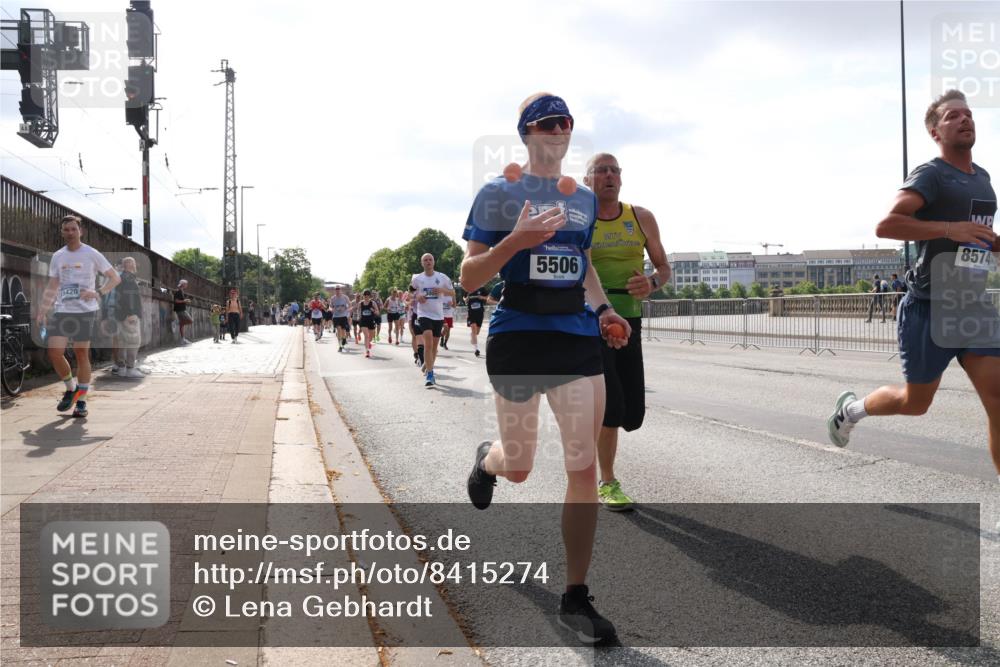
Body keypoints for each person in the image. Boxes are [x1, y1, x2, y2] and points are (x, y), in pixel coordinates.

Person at [461, 92, 630, 644]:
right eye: (548, 123)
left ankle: (575, 597)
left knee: (582, 468)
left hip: (577, 340)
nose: (560, 130)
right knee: (520, 468)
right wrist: (517, 240)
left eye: (567, 123)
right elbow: (468, 277)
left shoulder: (581, 199)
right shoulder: (498, 194)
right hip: (518, 338)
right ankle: (489, 462)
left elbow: (581, 265)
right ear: (528, 133)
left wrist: (604, 309)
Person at [828, 90, 999, 481]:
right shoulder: (932, 174)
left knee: (998, 401)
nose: (965, 119)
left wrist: (993, 243)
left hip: (972, 307)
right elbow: (886, 225)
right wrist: (948, 228)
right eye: (953, 116)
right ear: (935, 131)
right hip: (929, 306)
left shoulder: (984, 179)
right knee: (915, 402)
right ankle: (851, 411)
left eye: (969, 114)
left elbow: (975, 236)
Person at [584, 152, 671, 511]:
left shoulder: (641, 217)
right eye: (601, 170)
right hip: (592, 320)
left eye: (614, 170)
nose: (609, 176)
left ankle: (588, 458)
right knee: (612, 405)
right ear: (587, 180)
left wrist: (651, 282)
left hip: (630, 320)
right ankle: (605, 480)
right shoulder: (580, 219)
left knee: (632, 413)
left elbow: (665, 268)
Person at [36, 214, 121, 418]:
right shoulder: (58, 256)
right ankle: (71, 388)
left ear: (80, 231)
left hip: (85, 311)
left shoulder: (91, 254)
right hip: (62, 310)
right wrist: (43, 309)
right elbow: (53, 285)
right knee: (54, 352)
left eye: (74, 229)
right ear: (62, 232)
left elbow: (114, 278)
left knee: (82, 354)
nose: (70, 233)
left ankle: (81, 401)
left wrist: (98, 292)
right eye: (66, 229)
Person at [411, 253, 455, 387]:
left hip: (438, 315)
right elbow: (411, 290)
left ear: (434, 262)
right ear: (422, 263)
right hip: (423, 314)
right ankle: (430, 375)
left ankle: (427, 365)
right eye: (425, 260)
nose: (428, 262)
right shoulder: (417, 278)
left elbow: (452, 293)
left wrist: (442, 290)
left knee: (434, 347)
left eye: (430, 259)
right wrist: (417, 296)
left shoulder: (442, 277)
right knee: (428, 343)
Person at [114, 256, 143, 378]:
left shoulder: (121, 277)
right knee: (133, 341)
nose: (135, 265)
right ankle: (130, 368)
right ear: (130, 265)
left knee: (123, 341)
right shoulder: (128, 278)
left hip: (121, 314)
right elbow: (128, 297)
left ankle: (122, 368)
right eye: (133, 262)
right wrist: (131, 313)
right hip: (129, 315)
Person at [465, 285, 488, 357]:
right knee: (474, 329)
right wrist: (466, 299)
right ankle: (476, 349)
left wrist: (482, 297)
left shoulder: (482, 288)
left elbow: (488, 297)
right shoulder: (468, 288)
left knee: (476, 332)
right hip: (471, 313)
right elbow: (464, 298)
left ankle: (472, 335)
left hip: (480, 313)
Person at [358, 289, 380, 358]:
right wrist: (359, 317)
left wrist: (373, 310)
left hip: (371, 321)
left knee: (371, 336)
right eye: (365, 295)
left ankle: (369, 343)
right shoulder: (360, 303)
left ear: (369, 296)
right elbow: (359, 311)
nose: (366, 297)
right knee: (366, 336)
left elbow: (378, 312)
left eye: (367, 295)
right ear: (363, 296)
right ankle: (367, 351)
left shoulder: (373, 303)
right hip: (363, 321)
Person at [329, 286, 352, 352]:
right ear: (335, 290)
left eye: (338, 289)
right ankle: (340, 346)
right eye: (336, 289)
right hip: (336, 316)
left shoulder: (345, 297)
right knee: (338, 329)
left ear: (340, 290)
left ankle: (344, 338)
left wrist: (345, 309)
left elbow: (350, 305)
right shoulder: (333, 298)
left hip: (344, 316)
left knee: (343, 331)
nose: (337, 290)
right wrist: (331, 310)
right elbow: (330, 306)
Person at [174, 279, 193, 344]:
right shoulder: (178, 291)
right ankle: (177, 323)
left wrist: (185, 300)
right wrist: (185, 301)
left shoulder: (181, 291)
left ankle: (183, 339)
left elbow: (180, 300)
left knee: (182, 324)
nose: (187, 285)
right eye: (186, 284)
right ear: (183, 284)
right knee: (190, 321)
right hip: (180, 310)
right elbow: (176, 301)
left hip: (182, 309)